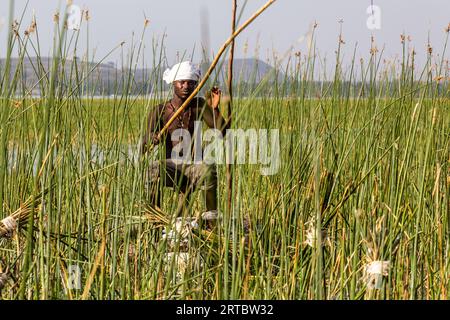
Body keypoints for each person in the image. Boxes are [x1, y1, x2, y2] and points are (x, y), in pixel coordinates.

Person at [141, 61, 229, 217]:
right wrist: (151, 139)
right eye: (182, 82)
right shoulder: (160, 111)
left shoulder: (199, 106)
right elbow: (143, 146)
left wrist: (214, 109)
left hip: (194, 165)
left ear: (196, 85)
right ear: (174, 83)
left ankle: (211, 219)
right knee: (153, 169)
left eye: (191, 83)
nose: (186, 86)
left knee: (208, 169)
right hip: (171, 166)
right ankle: (155, 217)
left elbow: (222, 131)